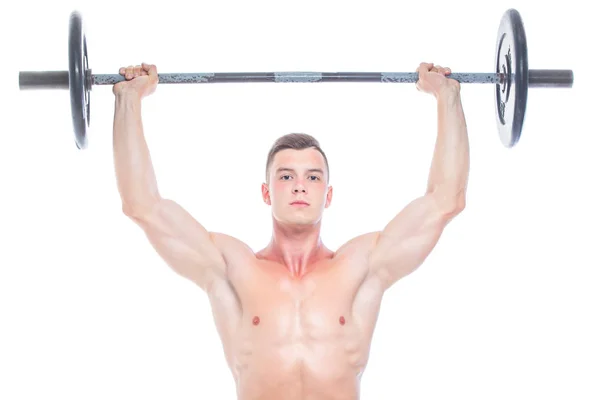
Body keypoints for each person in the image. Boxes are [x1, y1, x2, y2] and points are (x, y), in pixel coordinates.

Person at [111, 61, 469, 400]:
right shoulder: (231, 267)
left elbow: (444, 202)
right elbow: (143, 206)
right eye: (286, 176)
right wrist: (129, 100)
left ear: (328, 195)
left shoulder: (362, 265)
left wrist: (447, 97)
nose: (300, 187)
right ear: (267, 192)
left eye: (312, 177)